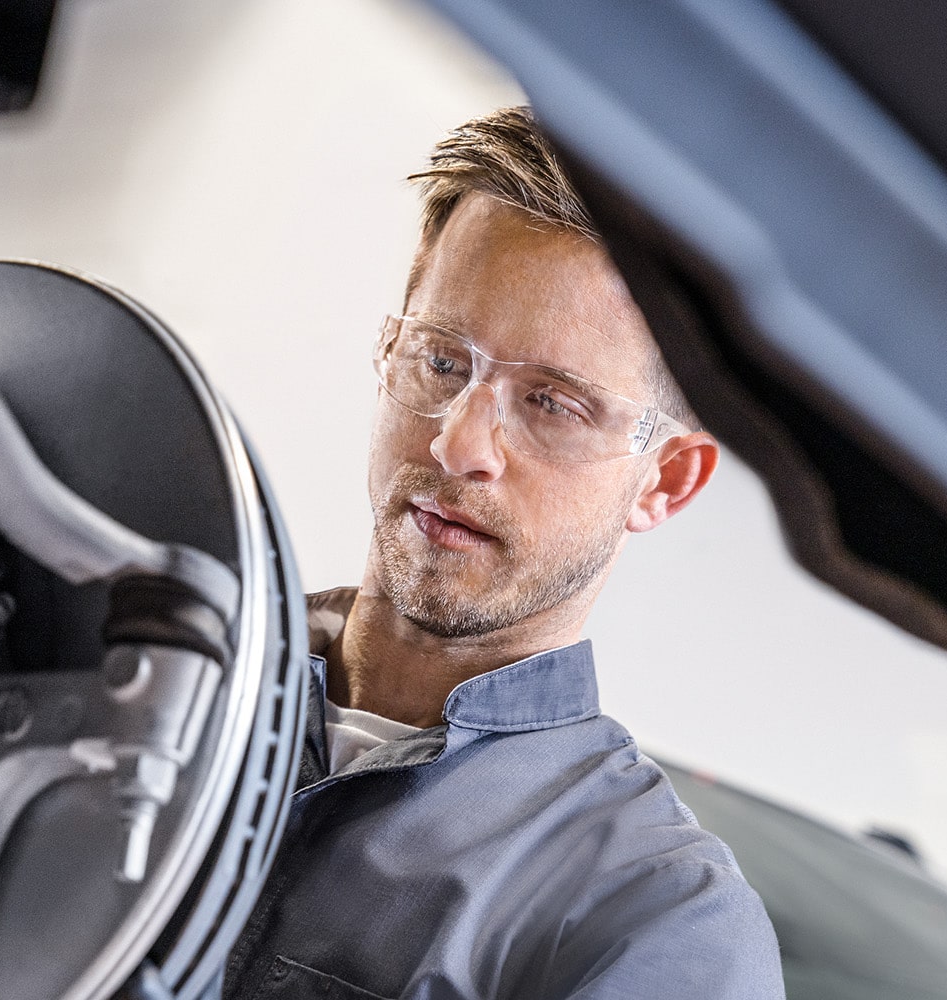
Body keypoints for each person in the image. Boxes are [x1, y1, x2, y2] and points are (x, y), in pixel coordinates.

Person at [220, 107, 785, 999]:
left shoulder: (654, 921)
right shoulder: (152, 680)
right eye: (443, 363)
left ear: (666, 482)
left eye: (554, 404)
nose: (458, 445)